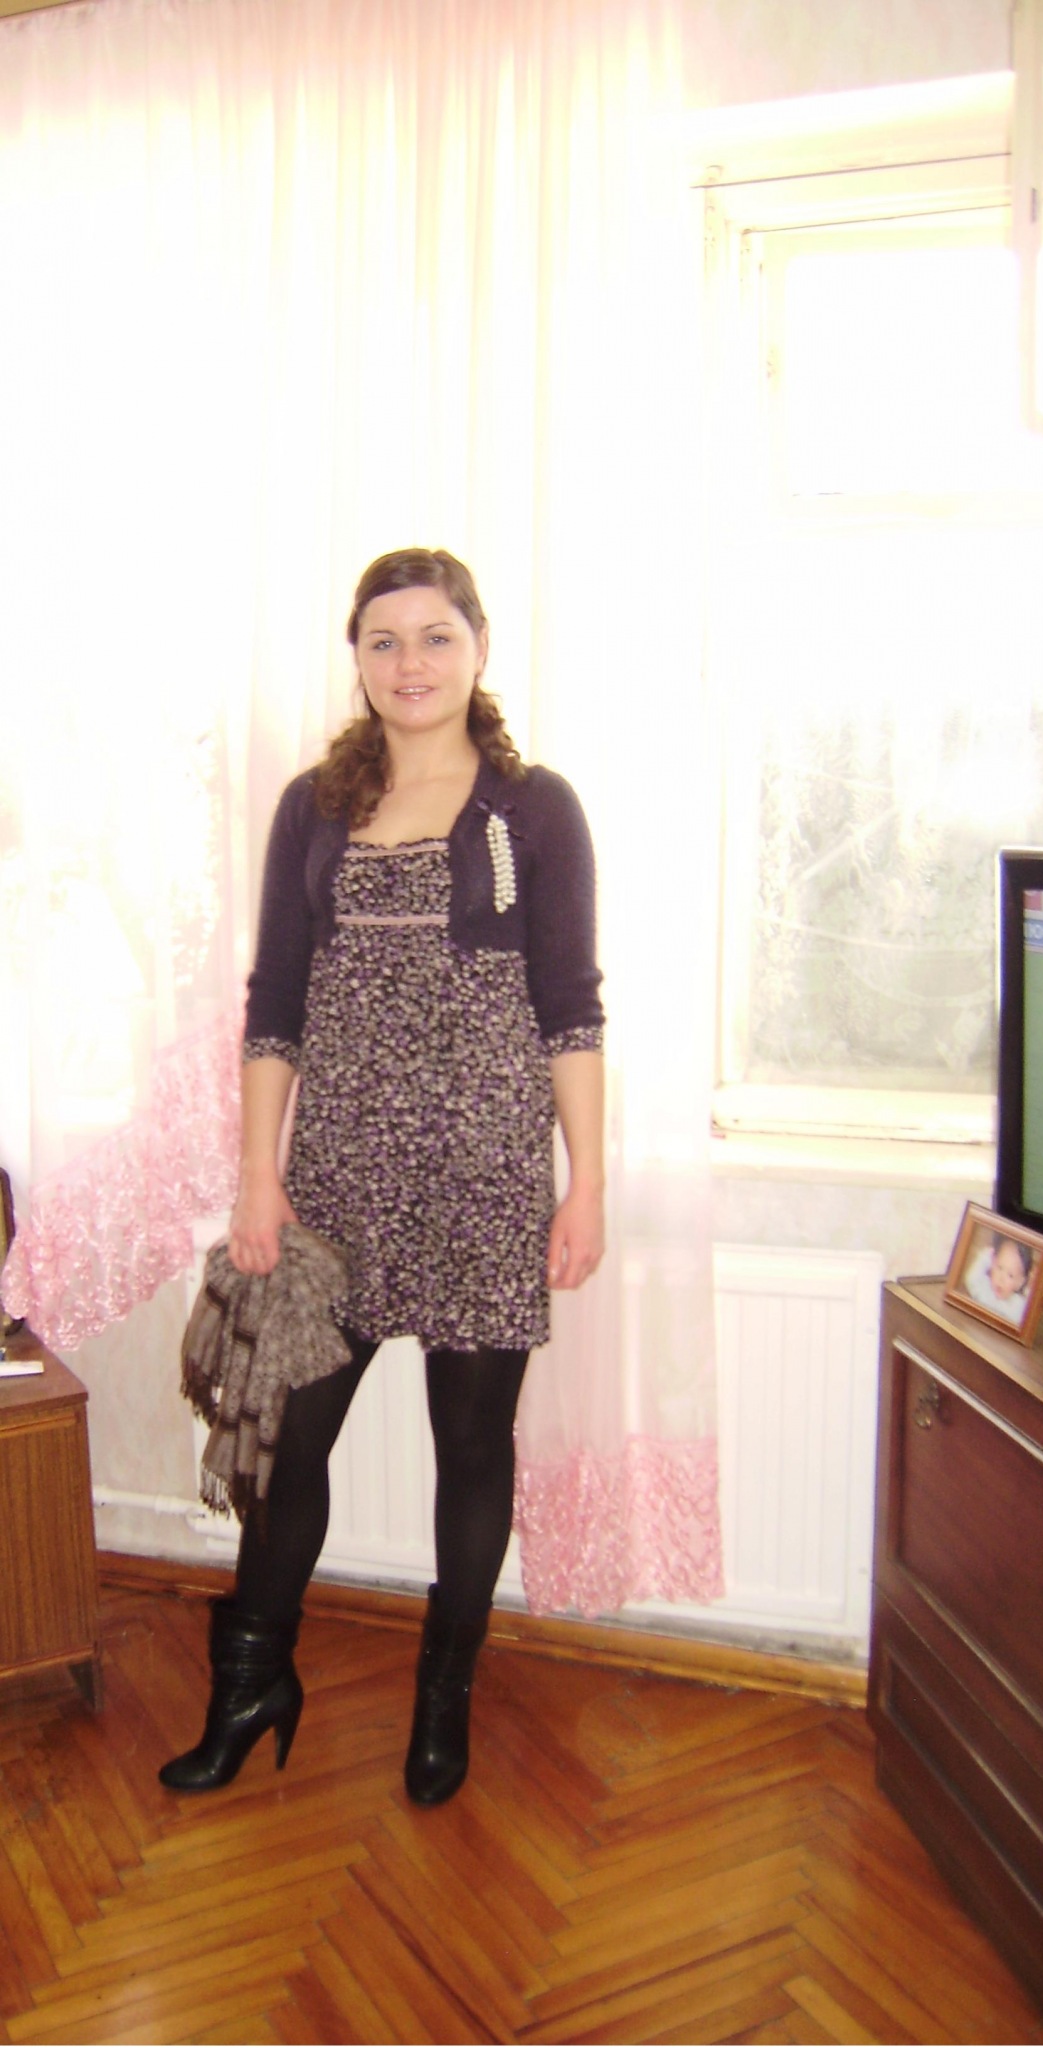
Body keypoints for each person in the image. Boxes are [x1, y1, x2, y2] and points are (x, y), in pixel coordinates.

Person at [160, 548, 604, 1803]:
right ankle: (252, 1681)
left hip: (485, 1173)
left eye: (435, 636)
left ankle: (443, 1695)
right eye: (384, 640)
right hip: (338, 1176)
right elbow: (275, 1004)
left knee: (473, 1447)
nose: (410, 663)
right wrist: (260, 1177)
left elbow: (571, 1006)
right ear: (356, 657)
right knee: (288, 1442)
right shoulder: (313, 806)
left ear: (479, 646)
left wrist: (586, 1183)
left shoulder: (533, 809)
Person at [964, 1232, 1032, 1326]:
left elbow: (1028, 1313)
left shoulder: (1017, 1306)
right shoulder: (984, 1287)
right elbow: (971, 1278)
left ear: (1019, 1283)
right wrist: (988, 1254)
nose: (1001, 1279)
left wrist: (1029, 1291)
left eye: (1010, 1275)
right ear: (992, 1262)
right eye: (999, 1267)